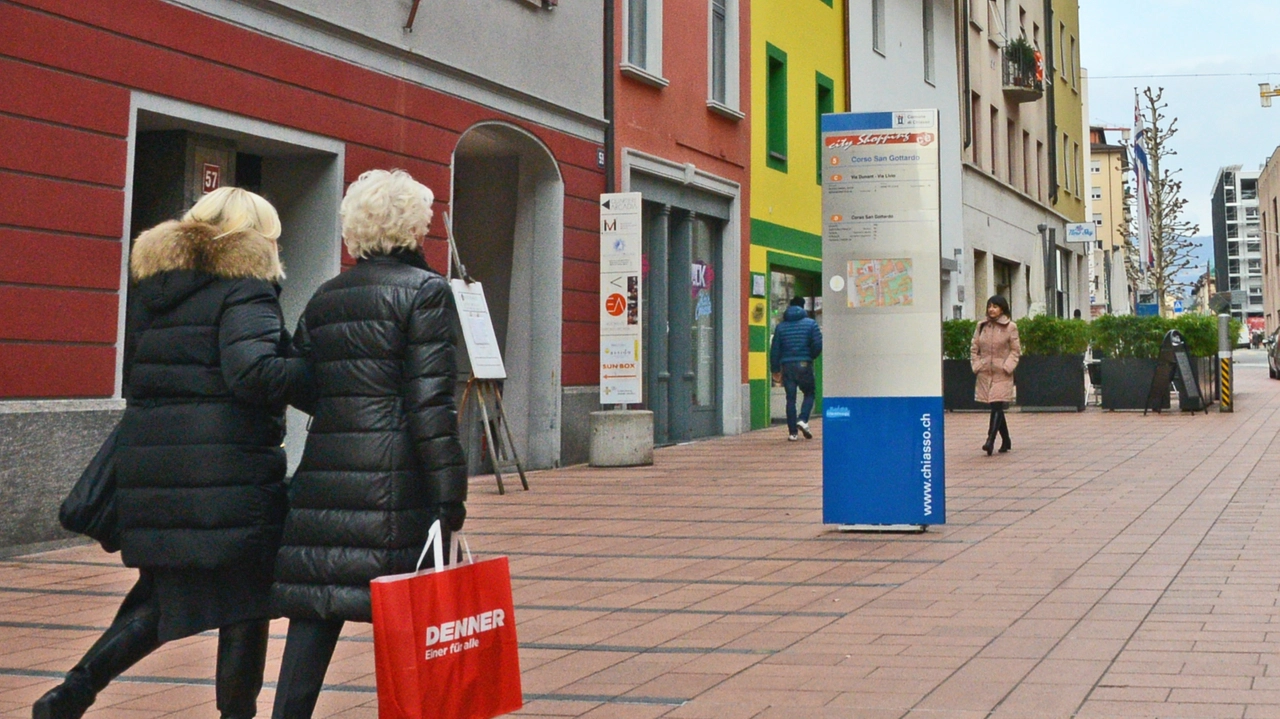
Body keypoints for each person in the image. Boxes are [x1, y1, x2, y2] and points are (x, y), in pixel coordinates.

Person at [35, 188, 309, 719]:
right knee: (245, 605)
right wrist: (309, 367)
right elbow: (253, 373)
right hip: (223, 477)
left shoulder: (162, 289)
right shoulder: (246, 291)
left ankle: (70, 694)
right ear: (254, 238)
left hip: (156, 468)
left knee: (160, 596)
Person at [270, 169, 468, 719]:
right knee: (406, 615)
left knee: (315, 610)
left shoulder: (329, 295)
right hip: (395, 483)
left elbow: (303, 379)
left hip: (325, 477)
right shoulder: (426, 293)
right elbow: (431, 404)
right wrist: (450, 495)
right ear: (413, 226)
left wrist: (347, 413)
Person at [971, 295, 1020, 455]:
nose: (991, 309)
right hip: (985, 372)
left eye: (995, 306)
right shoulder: (981, 326)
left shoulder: (1010, 327)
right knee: (995, 405)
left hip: (1002, 373)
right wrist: (977, 365)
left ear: (1002, 309)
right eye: (989, 306)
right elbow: (974, 348)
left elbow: (1015, 350)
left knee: (997, 404)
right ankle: (1006, 439)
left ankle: (990, 440)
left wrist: (1008, 367)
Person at [770, 296, 823, 441]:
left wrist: (775, 369)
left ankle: (792, 433)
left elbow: (775, 350)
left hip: (787, 366)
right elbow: (818, 344)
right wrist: (809, 356)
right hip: (804, 364)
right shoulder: (811, 324)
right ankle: (803, 419)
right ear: (803, 307)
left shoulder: (781, 327)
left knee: (790, 399)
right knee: (809, 393)